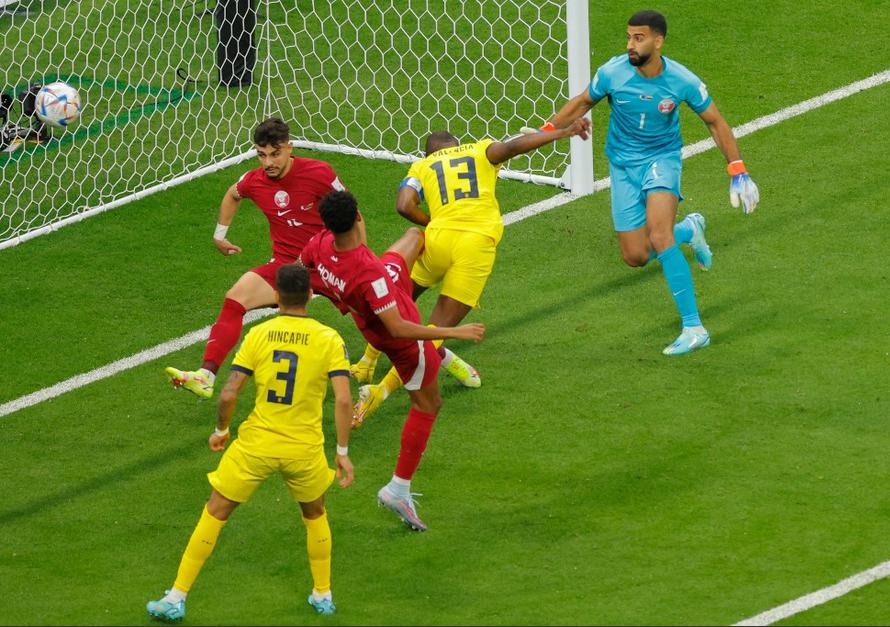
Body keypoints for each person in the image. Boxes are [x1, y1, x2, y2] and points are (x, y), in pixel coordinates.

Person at [538, 9, 759, 355]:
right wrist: (544, 134)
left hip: (662, 161)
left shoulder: (681, 80)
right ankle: (690, 230)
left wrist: (738, 169)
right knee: (636, 256)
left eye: (638, 38)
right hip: (622, 166)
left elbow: (715, 121)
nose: (630, 44)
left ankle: (694, 326)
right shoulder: (612, 73)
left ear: (658, 41)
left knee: (659, 235)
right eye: (628, 37)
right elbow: (582, 102)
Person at [146, 264, 355, 621]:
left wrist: (221, 431)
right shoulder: (329, 339)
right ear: (309, 295)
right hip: (303, 449)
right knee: (315, 513)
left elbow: (228, 393)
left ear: (275, 297)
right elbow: (343, 400)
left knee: (215, 511)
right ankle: (323, 593)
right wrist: (342, 452)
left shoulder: (259, 334)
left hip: (256, 445)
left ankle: (177, 597)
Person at [350, 119, 592, 421]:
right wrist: (563, 132)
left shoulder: (422, 167)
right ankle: (379, 392)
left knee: (393, 302)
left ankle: (366, 361)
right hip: (474, 246)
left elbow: (403, 204)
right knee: (435, 332)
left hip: (437, 241)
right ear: (457, 144)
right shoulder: (479, 150)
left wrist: (433, 222)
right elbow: (514, 146)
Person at [299, 190, 485, 532]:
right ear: (358, 217)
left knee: (415, 236)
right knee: (428, 404)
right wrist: (455, 332)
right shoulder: (370, 275)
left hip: (374, 290)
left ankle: (440, 355)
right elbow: (399, 329)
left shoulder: (321, 242)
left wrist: (327, 289)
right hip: (401, 342)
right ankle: (398, 488)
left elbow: (304, 266)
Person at [166, 117, 346, 399]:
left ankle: (434, 356)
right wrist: (219, 235)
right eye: (262, 155)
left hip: (328, 263)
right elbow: (233, 194)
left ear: (289, 147)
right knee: (235, 298)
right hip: (288, 267)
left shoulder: (319, 173)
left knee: (380, 320)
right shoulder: (255, 181)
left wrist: (357, 258)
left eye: (275, 154)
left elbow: (352, 213)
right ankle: (205, 376)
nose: (268, 162)